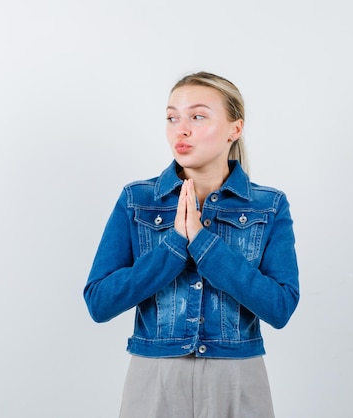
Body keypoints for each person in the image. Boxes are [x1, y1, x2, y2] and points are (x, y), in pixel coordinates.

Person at [83, 71, 299, 418]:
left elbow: (280, 307)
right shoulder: (137, 199)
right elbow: (100, 302)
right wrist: (174, 245)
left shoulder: (268, 205)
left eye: (197, 116)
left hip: (237, 376)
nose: (180, 130)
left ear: (235, 129)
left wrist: (203, 243)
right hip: (155, 376)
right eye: (172, 118)